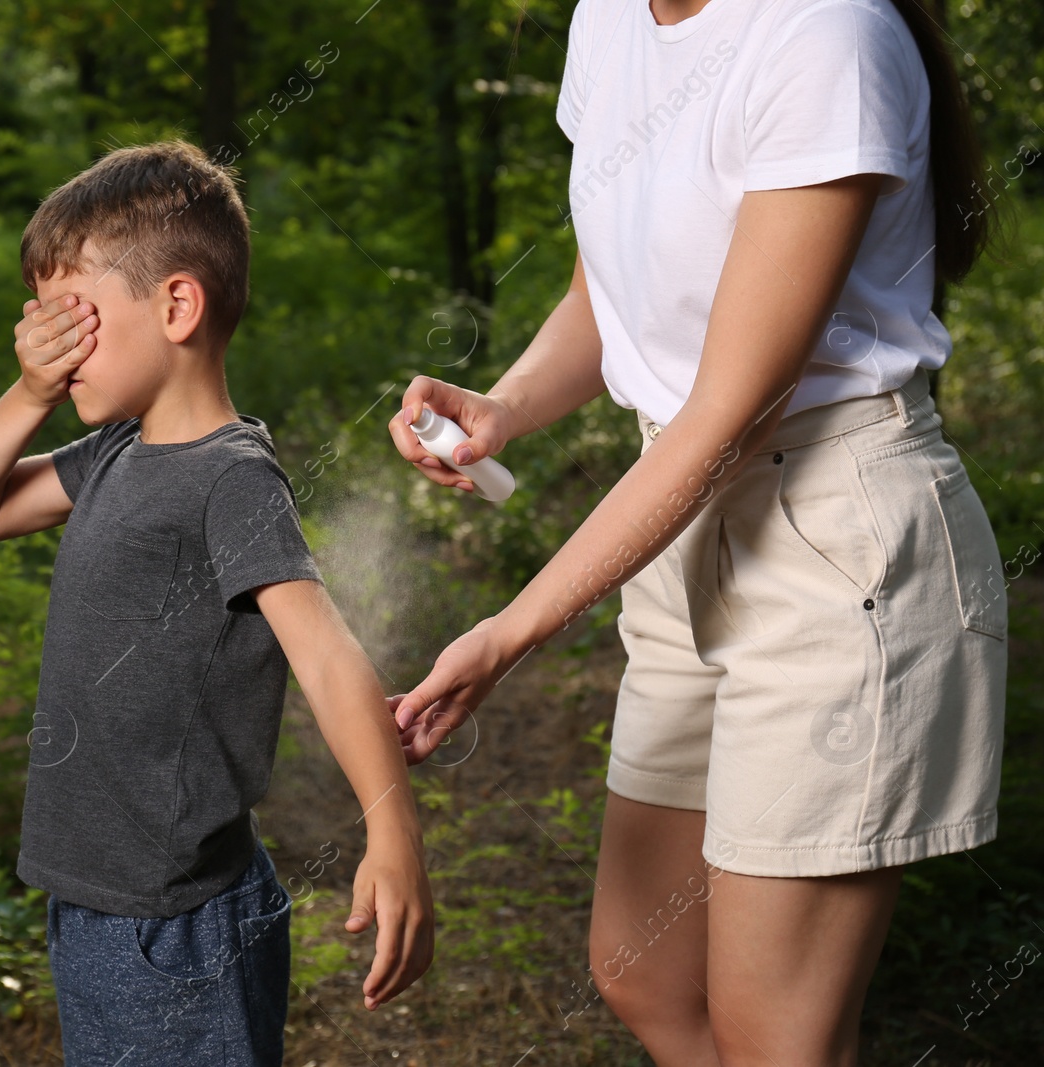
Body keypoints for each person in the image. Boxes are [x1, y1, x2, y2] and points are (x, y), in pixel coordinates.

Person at [386, 0, 1006, 1062]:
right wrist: (508, 402)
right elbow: (613, 283)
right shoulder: (609, 21)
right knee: (644, 975)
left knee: (778, 1039)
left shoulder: (825, 34)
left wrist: (511, 628)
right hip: (683, 520)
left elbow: (732, 411)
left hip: (831, 543)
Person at [0, 139, 433, 1066]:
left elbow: (325, 653)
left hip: (177, 921)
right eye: (39, 321)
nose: (50, 342)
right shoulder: (116, 451)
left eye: (73, 315)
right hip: (93, 899)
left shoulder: (227, 479)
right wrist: (28, 392)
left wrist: (392, 834)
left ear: (178, 305)